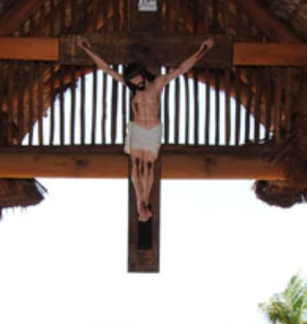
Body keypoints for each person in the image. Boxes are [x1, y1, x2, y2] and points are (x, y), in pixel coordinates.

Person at [78, 37, 215, 221]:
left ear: (141, 74)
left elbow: (181, 69)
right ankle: (140, 202)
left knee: (148, 165)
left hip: (152, 128)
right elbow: (107, 69)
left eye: (134, 79)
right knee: (137, 164)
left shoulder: (157, 84)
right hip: (138, 127)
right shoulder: (133, 88)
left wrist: (202, 50)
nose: (133, 83)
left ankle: (144, 200)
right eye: (131, 81)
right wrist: (87, 48)